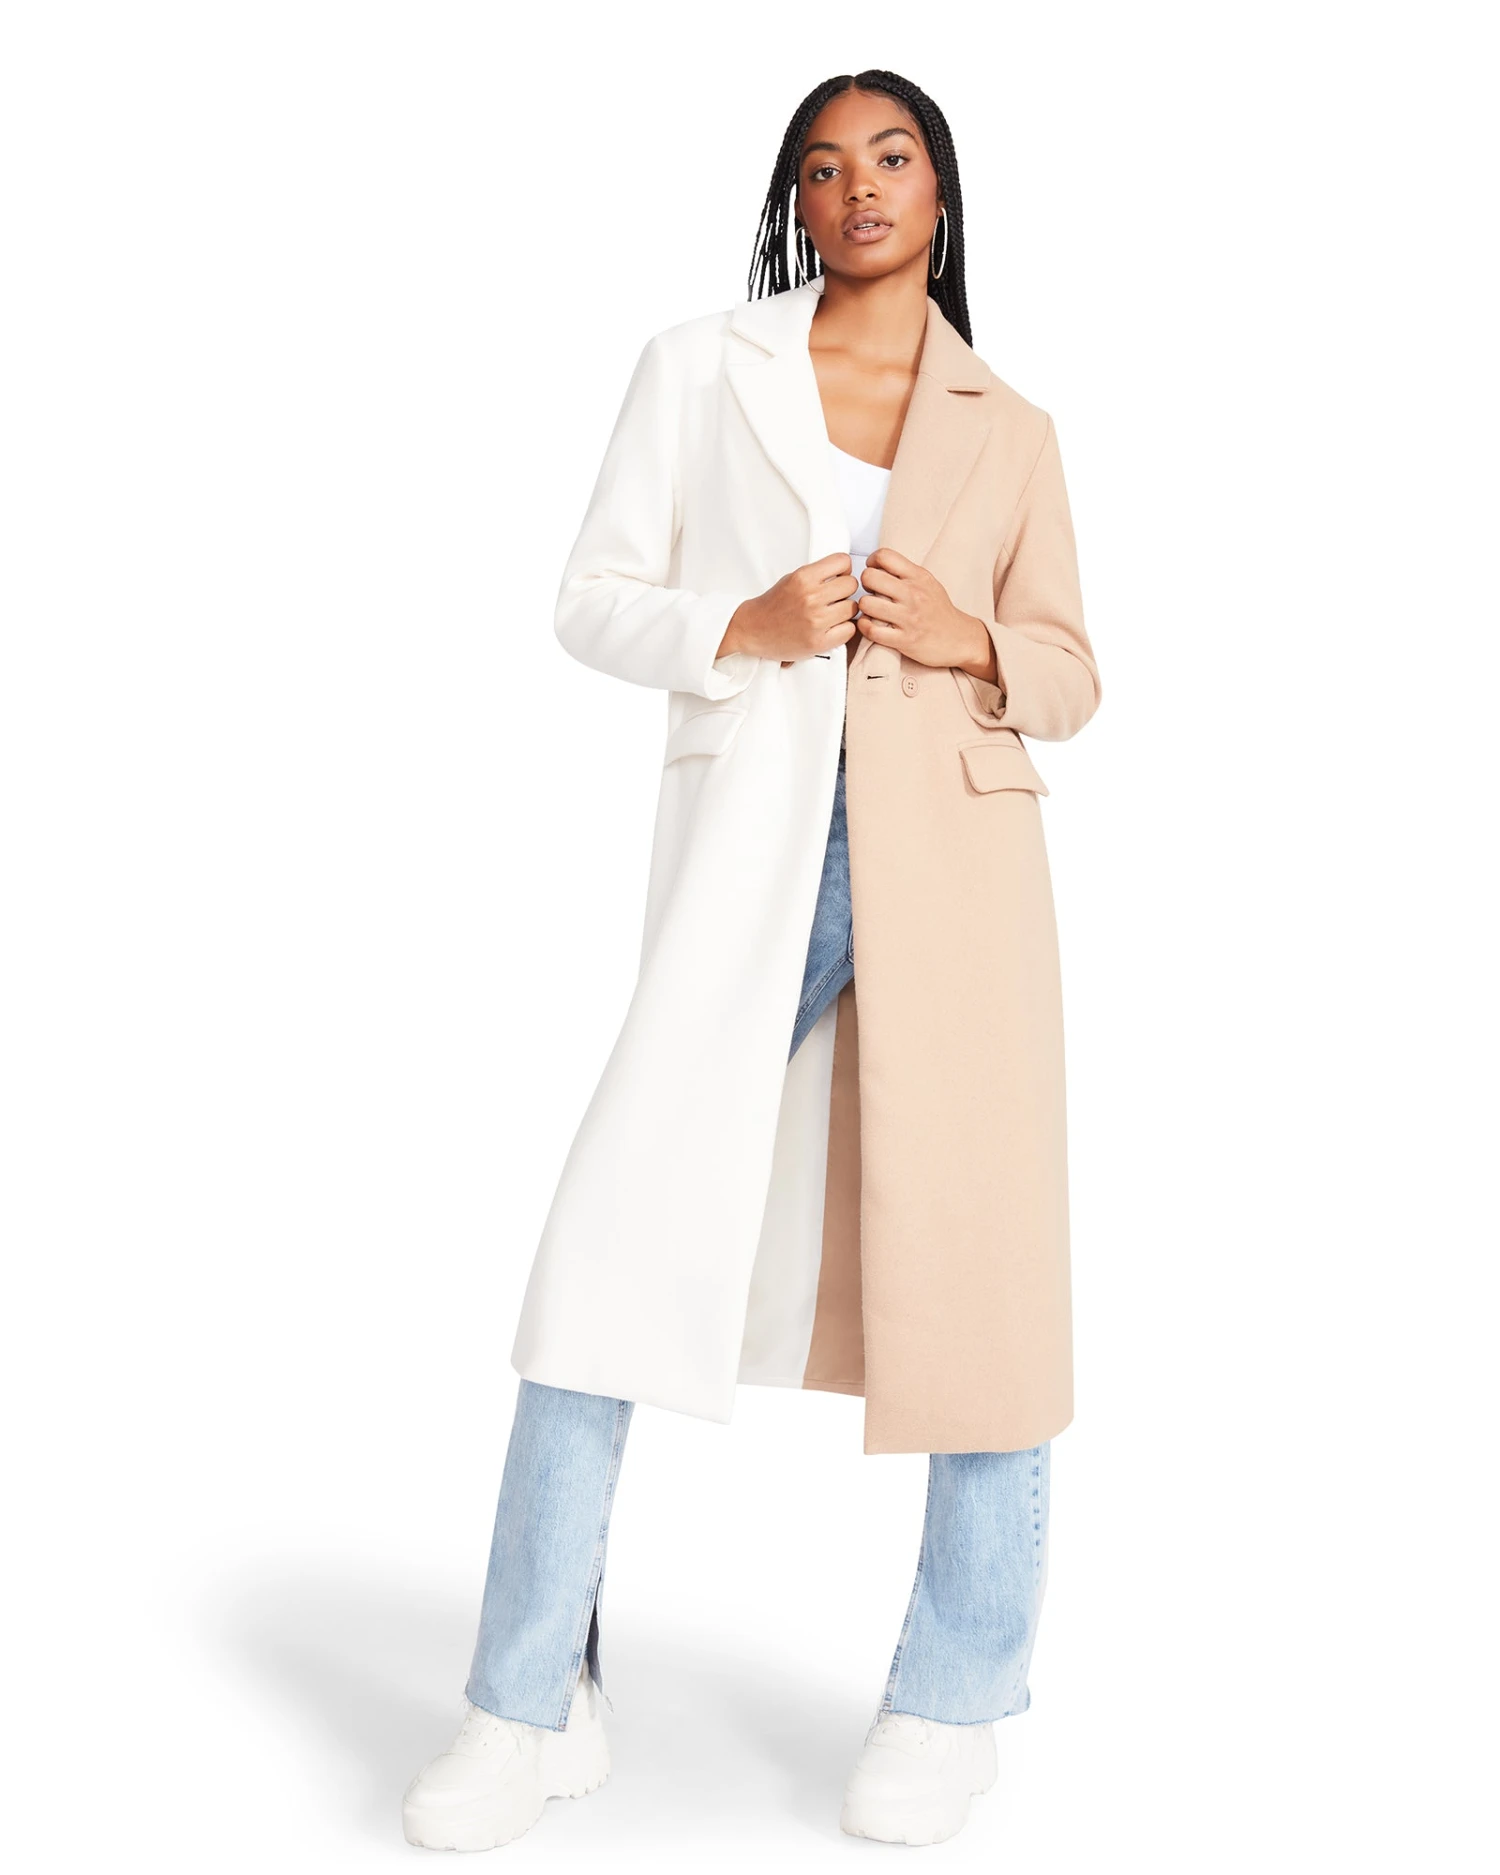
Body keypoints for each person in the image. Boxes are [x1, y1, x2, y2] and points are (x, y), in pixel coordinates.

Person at [403, 67, 1101, 1851]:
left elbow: (1072, 672)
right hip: (756, 859)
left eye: (893, 156)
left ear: (941, 190)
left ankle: (956, 1696)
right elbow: (589, 595)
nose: (860, 186)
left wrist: (969, 637)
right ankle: (527, 1694)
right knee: (611, 1241)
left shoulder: (1012, 424)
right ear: (795, 201)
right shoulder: (698, 368)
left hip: (959, 874)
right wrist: (744, 619)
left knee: (984, 1277)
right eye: (825, 165)